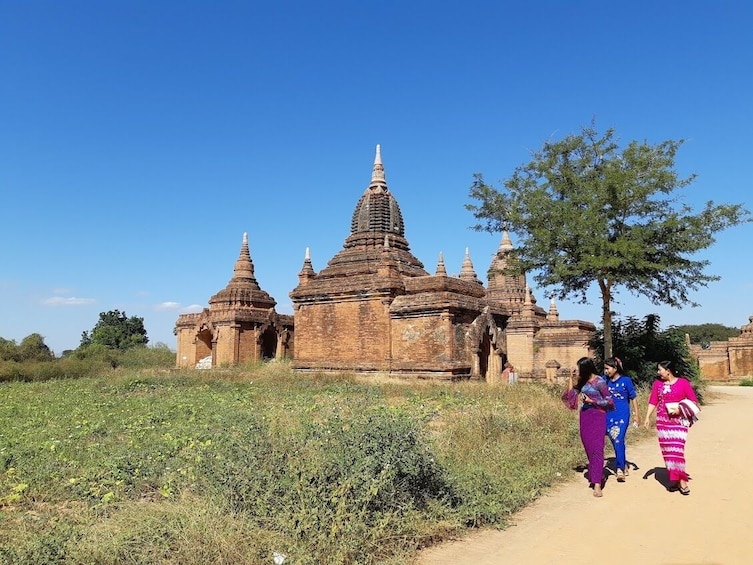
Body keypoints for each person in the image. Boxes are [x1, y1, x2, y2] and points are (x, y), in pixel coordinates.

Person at [643, 360, 700, 495]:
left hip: (678, 422)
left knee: (677, 451)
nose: (658, 372)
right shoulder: (658, 384)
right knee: (668, 452)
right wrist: (647, 417)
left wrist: (680, 410)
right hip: (663, 422)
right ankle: (675, 479)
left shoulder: (683, 383)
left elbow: (693, 400)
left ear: (668, 371)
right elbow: (653, 401)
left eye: (660, 370)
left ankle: (682, 481)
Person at [562, 357, 615, 497]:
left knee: (597, 448)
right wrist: (570, 379)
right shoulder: (583, 382)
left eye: (580, 368)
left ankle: (597, 484)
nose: (578, 371)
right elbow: (570, 397)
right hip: (585, 417)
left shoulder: (599, 382)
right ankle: (598, 474)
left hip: (598, 416)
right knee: (588, 447)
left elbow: (609, 402)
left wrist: (592, 400)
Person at [603, 357, 639, 482]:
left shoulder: (626, 381)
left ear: (615, 368)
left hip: (622, 414)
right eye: (605, 368)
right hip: (608, 414)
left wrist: (636, 415)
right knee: (614, 439)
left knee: (618, 438)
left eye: (608, 368)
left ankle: (620, 469)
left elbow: (633, 398)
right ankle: (623, 462)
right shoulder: (604, 381)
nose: (606, 371)